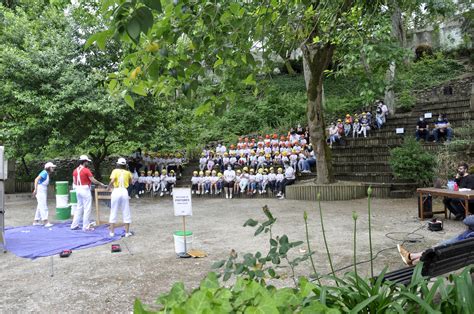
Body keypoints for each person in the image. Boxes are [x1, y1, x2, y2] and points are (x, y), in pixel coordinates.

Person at [397, 208, 474, 265]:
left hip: (459, 248)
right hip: (465, 250)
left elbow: (467, 220)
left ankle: (412, 258)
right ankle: (413, 258)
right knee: (443, 246)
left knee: (442, 247)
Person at [71, 155, 107, 231]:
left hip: (78, 189)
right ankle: (86, 226)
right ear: (84, 161)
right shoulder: (86, 170)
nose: (88, 163)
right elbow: (93, 180)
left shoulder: (75, 170)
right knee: (87, 208)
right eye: (87, 161)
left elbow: (74, 181)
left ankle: (74, 225)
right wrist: (101, 184)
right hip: (85, 189)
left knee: (79, 208)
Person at [107, 158, 133, 237]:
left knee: (113, 210)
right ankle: (127, 232)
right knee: (126, 210)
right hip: (124, 191)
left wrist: (108, 187)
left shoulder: (115, 171)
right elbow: (131, 182)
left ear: (118, 164)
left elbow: (112, 180)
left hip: (116, 191)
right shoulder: (128, 172)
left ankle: (112, 232)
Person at [32, 162, 57, 227]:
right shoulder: (44, 173)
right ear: (48, 168)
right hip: (40, 189)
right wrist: (35, 189)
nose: (53, 168)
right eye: (52, 167)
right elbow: (36, 179)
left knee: (40, 206)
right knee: (43, 206)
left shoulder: (46, 173)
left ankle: (36, 221)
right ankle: (45, 221)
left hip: (42, 189)